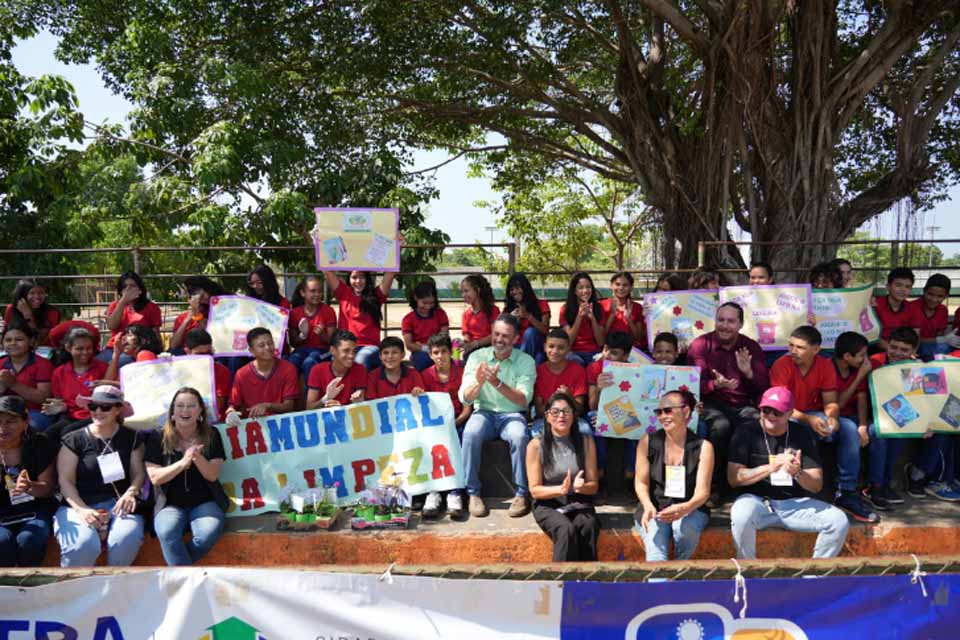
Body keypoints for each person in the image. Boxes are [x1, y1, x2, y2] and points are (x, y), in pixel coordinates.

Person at [728, 387, 850, 559]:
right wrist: (770, 468)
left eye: (777, 412)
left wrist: (797, 473)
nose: (770, 416)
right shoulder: (746, 431)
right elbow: (734, 477)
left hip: (794, 504)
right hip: (757, 501)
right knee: (740, 514)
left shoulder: (802, 434)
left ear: (790, 413)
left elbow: (816, 485)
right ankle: (747, 568)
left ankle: (815, 572)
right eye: (765, 410)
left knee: (838, 520)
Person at [770, 326, 876, 522]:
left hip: (815, 414)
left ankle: (846, 492)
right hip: (788, 415)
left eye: (800, 347)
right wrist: (809, 419)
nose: (793, 351)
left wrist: (832, 417)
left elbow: (831, 402)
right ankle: (785, 490)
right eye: (791, 345)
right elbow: (781, 407)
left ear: (816, 349)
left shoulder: (825, 365)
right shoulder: (782, 364)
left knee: (849, 428)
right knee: (790, 423)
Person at [54, 385, 145, 566]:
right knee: (81, 545)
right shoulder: (74, 439)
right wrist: (82, 510)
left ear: (118, 409)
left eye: (105, 407)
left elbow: (138, 473)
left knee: (126, 538)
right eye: (93, 406)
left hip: (119, 503)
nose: (97, 411)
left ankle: (115, 581)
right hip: (78, 503)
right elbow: (65, 481)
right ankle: (75, 584)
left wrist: (131, 492)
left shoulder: (131, 437)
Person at [686, 303, 767, 501]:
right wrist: (715, 384)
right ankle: (714, 486)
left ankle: (750, 485)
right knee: (721, 426)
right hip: (710, 403)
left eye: (730, 321)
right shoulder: (700, 345)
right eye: (720, 320)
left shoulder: (751, 347)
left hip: (743, 404)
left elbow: (764, 387)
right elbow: (691, 385)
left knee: (754, 424)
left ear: (740, 324)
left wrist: (749, 372)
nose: (724, 325)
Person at [459, 314, 535, 518]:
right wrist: (479, 382)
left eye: (505, 336)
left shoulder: (525, 361)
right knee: (470, 433)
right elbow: (465, 397)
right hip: (483, 411)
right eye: (496, 334)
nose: (499, 339)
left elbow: (524, 400)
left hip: (512, 413)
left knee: (520, 436)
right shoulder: (476, 357)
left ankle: (522, 493)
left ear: (516, 339)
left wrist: (496, 383)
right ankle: (473, 493)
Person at [146, 387, 227, 565]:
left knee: (207, 533)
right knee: (167, 532)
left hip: (204, 501)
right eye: (180, 406)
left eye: (191, 406)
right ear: (172, 411)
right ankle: (185, 576)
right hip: (169, 504)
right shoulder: (157, 436)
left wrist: (196, 456)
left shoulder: (212, 434)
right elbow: (156, 477)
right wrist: (183, 462)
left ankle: (178, 571)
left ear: (200, 411)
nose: (185, 410)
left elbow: (212, 475)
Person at [635, 390, 714, 562]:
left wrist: (684, 508)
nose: (663, 416)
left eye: (668, 410)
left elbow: (703, 492)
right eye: (659, 412)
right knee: (656, 556)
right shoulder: (647, 441)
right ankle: (661, 579)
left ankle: (682, 569)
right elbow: (641, 483)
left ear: (686, 412)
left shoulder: (704, 447)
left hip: (691, 508)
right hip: (655, 507)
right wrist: (648, 505)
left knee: (684, 527)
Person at [525, 392, 600, 562]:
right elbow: (534, 490)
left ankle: (587, 576)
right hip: (548, 503)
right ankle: (560, 577)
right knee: (565, 529)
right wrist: (560, 489)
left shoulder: (586, 441)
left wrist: (581, 487)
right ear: (547, 416)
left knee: (589, 524)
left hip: (577, 498)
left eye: (566, 411)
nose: (561, 416)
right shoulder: (536, 445)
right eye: (555, 411)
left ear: (574, 415)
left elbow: (593, 485)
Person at [860, 327, 915, 510]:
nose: (897, 353)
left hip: (898, 416)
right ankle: (875, 486)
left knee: (903, 430)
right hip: (872, 415)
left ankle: (885, 483)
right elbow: (861, 395)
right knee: (878, 432)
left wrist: (923, 424)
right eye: (894, 347)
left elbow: (919, 401)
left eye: (904, 349)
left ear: (913, 351)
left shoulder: (915, 369)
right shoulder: (874, 362)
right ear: (887, 345)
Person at [0, 396, 57, 567]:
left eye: (11, 421)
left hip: (35, 508)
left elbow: (48, 489)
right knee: (1, 541)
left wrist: (30, 486)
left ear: (25, 422)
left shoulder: (40, 444)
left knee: (29, 538)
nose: (3, 427)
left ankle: (29, 582)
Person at [420, 333, 472, 518]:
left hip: (458, 420)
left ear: (451, 352)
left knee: (461, 439)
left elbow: (467, 409)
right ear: (430, 355)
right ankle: (433, 491)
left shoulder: (463, 373)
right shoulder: (425, 375)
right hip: (434, 424)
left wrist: (453, 424)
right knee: (427, 442)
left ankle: (455, 492)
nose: (440, 356)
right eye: (436, 352)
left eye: (444, 351)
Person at [830, 332, 875, 521]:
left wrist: (863, 425)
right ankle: (846, 491)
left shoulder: (856, 368)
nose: (865, 360)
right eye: (862, 355)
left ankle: (875, 487)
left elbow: (862, 397)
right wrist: (859, 377)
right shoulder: (829, 368)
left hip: (853, 416)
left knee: (875, 432)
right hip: (832, 416)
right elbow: (836, 405)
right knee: (849, 428)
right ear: (847, 356)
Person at [46, 327, 109, 442]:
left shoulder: (103, 368)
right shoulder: (59, 372)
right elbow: (59, 400)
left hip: (96, 416)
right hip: (70, 416)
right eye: (79, 349)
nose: (85, 352)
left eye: (89, 348)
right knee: (46, 436)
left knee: (67, 433)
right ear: (68, 348)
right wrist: (60, 406)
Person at [323, 270, 395, 370]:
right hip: (346, 345)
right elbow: (327, 270)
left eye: (362, 277)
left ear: (367, 278)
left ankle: (358, 381)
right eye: (354, 277)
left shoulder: (376, 295)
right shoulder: (343, 293)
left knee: (361, 359)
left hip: (369, 347)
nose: (358, 281)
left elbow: (390, 272)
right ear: (349, 279)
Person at [225, 328, 298, 420]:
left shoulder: (288, 368)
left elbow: (289, 406)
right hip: (252, 424)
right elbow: (232, 406)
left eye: (270, 343)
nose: (267, 347)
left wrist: (267, 406)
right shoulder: (241, 374)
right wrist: (231, 414)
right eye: (261, 345)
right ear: (251, 350)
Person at [531, 329, 589, 437]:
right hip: (545, 419)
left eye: (561, 348)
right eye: (551, 346)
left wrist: (569, 396)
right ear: (545, 347)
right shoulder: (538, 372)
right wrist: (555, 399)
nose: (555, 351)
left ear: (568, 349)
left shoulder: (578, 370)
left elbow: (579, 410)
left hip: (571, 418)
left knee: (585, 431)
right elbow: (539, 411)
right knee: (537, 434)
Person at [101, 271, 162, 366]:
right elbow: (111, 326)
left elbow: (155, 333)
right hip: (113, 347)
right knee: (97, 364)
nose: (128, 289)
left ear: (139, 289)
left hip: (134, 350)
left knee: (112, 365)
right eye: (125, 286)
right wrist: (123, 301)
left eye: (132, 286)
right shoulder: (115, 305)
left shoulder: (151, 307)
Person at [0, 324, 53, 430]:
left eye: (19, 339)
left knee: (26, 427)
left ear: (31, 341)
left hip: (35, 412)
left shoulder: (43, 364)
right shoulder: (1, 363)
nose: (13, 343)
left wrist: (13, 384)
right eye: (8, 340)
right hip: (4, 412)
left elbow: (44, 398)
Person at [287, 275, 338, 377]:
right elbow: (293, 343)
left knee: (309, 362)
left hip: (324, 351)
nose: (317, 294)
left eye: (319, 291)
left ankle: (310, 388)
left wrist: (322, 335)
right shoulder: (295, 313)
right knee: (292, 362)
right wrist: (302, 336)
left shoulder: (328, 311)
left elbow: (333, 342)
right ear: (303, 293)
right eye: (313, 291)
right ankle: (290, 388)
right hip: (301, 350)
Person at [306, 330, 367, 409]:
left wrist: (356, 403)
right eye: (346, 351)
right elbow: (309, 408)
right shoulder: (317, 370)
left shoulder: (360, 370)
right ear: (332, 350)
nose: (351, 356)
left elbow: (360, 403)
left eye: (354, 351)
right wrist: (326, 398)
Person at [184, 329, 232, 423]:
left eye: (209, 353)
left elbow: (216, 406)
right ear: (187, 351)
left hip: (210, 422)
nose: (206, 358)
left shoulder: (221, 371)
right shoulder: (177, 369)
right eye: (200, 354)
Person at [169, 276, 227, 353]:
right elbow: (173, 346)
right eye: (200, 298)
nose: (205, 298)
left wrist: (197, 315)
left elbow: (211, 338)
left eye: (203, 295)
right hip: (188, 354)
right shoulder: (182, 318)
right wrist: (187, 320)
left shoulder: (213, 313)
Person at [560, 272, 606, 367]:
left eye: (588, 287)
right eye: (580, 288)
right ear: (575, 291)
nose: (585, 291)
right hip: (574, 352)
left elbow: (601, 342)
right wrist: (579, 316)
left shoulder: (599, 308)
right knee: (576, 363)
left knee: (595, 367)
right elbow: (569, 341)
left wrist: (592, 318)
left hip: (594, 352)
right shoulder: (565, 309)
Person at [401, 280, 449, 372]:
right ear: (416, 298)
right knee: (423, 359)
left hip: (439, 349)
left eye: (431, 303)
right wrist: (424, 348)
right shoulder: (408, 319)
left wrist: (433, 348)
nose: (428, 307)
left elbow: (444, 336)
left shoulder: (440, 314)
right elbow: (409, 345)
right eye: (424, 303)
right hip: (421, 353)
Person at [910, 274, 960, 361]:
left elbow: (938, 338)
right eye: (930, 294)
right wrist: (942, 339)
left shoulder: (943, 310)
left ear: (946, 296)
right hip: (912, 348)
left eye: (940, 296)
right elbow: (913, 340)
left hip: (932, 348)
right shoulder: (912, 307)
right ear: (924, 291)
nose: (934, 299)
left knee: (944, 348)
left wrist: (941, 340)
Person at [503, 273, 550, 363]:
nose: (514, 292)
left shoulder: (541, 304)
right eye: (511, 289)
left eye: (518, 288)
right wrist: (510, 320)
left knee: (530, 332)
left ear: (525, 288)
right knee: (538, 358)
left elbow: (545, 330)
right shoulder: (508, 309)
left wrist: (528, 316)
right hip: (515, 346)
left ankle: (519, 364)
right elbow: (501, 332)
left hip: (536, 344)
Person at [873, 267, 921, 352]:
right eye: (898, 285)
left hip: (903, 351)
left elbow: (916, 336)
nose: (903, 290)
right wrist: (894, 351)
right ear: (888, 287)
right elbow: (872, 336)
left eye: (907, 287)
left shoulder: (912, 308)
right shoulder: (875, 305)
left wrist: (912, 352)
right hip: (878, 350)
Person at [4, 280, 60, 347]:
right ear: (22, 295)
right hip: (16, 348)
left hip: (43, 349)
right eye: (32, 293)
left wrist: (29, 317)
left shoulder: (52, 312)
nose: (37, 297)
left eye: (41, 293)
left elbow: (38, 341)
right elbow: (6, 335)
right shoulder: (11, 309)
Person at [602, 272, 646, 351]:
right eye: (617, 284)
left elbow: (638, 337)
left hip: (632, 351)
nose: (621, 288)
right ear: (611, 285)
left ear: (631, 287)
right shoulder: (602, 305)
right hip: (610, 350)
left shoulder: (637, 307)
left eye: (625, 285)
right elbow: (601, 337)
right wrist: (612, 315)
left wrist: (629, 319)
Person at [459, 274, 500, 360]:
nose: (463, 295)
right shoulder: (466, 314)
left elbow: (496, 335)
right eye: (462, 292)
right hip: (473, 350)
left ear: (477, 290)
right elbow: (466, 336)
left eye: (466, 291)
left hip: (490, 348)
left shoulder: (493, 310)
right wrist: (464, 343)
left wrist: (476, 343)